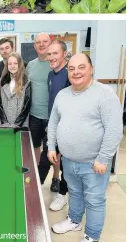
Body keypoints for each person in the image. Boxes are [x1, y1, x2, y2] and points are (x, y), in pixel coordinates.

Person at [49, 53, 123, 242]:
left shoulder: (105, 94)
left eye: (81, 67)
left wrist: (103, 158)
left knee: (94, 201)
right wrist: (51, 146)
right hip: (68, 160)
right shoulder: (62, 95)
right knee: (74, 193)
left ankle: (91, 236)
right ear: (68, 72)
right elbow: (53, 123)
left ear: (91, 69)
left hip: (94, 164)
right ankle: (74, 220)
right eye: (72, 69)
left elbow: (114, 131)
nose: (76, 72)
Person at [38, 40, 70, 210]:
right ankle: (33, 190)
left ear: (64, 54)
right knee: (45, 160)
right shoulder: (51, 75)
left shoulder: (70, 75)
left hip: (68, 130)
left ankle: (62, 195)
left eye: (55, 53)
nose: (51, 57)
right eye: (49, 54)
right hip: (52, 126)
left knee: (65, 165)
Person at [26, 33, 51, 162]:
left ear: (50, 43)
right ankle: (36, 175)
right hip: (34, 115)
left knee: (53, 150)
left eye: (45, 41)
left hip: (52, 116)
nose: (41, 44)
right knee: (35, 146)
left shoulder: (55, 64)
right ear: (35, 46)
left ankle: (56, 177)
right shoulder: (30, 65)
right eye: (38, 42)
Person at [0, 52, 31, 128]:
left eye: (15, 63)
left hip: (20, 124)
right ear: (7, 66)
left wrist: (16, 124)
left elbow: (26, 106)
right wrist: (4, 122)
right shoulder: (2, 81)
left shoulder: (26, 82)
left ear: (20, 64)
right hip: (5, 124)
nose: (12, 66)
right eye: (10, 64)